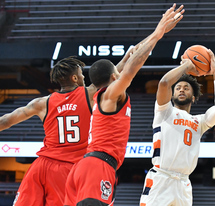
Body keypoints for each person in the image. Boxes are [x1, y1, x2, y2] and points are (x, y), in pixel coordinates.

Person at [63, 4, 184, 206]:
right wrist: (158, 33)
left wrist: (148, 40)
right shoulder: (111, 94)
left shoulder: (98, 93)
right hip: (97, 166)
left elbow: (128, 60)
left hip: (85, 167)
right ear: (113, 77)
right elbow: (131, 68)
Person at [0, 52, 133, 206]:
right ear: (74, 78)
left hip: (41, 166)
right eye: (81, 74)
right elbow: (108, 76)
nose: (84, 77)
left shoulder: (42, 103)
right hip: (67, 167)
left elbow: (6, 120)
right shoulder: (89, 94)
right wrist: (124, 61)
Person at [139, 49, 215, 206]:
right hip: (161, 178)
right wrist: (186, 65)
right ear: (172, 96)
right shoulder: (164, 112)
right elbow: (164, 83)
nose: (181, 89)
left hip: (184, 184)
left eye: (186, 88)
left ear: (193, 98)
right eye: (178, 87)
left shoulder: (200, 122)